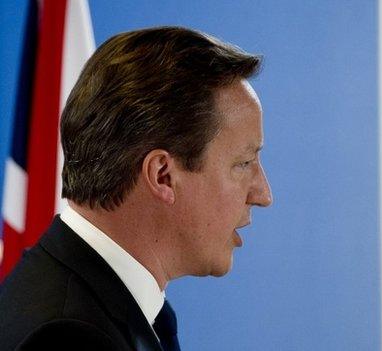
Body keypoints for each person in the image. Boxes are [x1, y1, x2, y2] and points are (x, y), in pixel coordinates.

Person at [0, 26, 272, 351]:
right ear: (162, 176)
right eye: (243, 163)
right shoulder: (68, 337)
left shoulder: (116, 305)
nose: (263, 195)